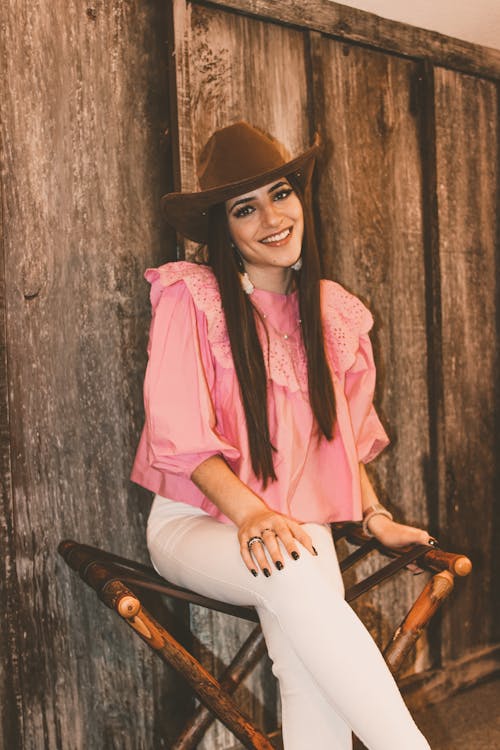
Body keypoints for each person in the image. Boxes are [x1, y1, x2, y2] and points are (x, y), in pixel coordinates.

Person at [132, 121, 434, 749]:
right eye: (246, 207)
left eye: (281, 193)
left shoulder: (331, 314)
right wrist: (251, 517)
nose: (272, 217)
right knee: (296, 572)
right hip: (198, 522)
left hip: (297, 523)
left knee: (303, 660)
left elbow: (341, 440)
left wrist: (374, 517)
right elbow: (180, 436)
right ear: (224, 226)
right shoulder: (193, 297)